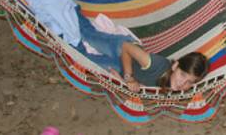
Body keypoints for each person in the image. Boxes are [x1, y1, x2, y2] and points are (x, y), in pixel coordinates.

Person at [74, 6, 209, 92]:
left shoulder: (168, 87)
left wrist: (121, 80)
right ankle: (70, 7)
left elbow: (142, 85)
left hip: (121, 67)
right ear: (175, 66)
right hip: (121, 49)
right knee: (88, 35)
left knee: (83, 58)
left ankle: (66, 38)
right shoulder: (157, 64)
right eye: (183, 75)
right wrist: (129, 78)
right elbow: (126, 48)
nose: (182, 83)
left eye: (190, 82)